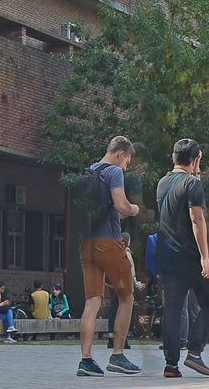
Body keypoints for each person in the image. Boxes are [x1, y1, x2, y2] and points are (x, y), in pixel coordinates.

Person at [76, 136, 140, 377]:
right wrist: (134, 209)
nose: (126, 167)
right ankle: (118, 355)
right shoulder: (114, 172)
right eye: (127, 162)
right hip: (107, 243)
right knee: (127, 296)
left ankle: (86, 361)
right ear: (121, 154)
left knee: (92, 301)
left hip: (86, 244)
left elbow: (107, 208)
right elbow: (122, 206)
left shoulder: (90, 170)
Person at [157, 139, 209, 378]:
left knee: (172, 309)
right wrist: (205, 257)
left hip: (168, 257)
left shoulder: (162, 183)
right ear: (194, 160)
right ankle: (194, 352)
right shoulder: (192, 183)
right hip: (191, 256)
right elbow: (196, 220)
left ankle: (171, 365)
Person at [105, 232, 145, 348]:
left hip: (115, 284)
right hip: (125, 285)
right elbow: (130, 270)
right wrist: (136, 283)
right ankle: (122, 338)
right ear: (128, 241)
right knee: (125, 311)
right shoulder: (126, 252)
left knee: (114, 309)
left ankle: (111, 338)